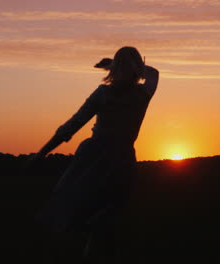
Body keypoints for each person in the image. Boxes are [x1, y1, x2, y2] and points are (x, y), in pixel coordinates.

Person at [33, 46, 159, 261]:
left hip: (96, 158)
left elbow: (72, 126)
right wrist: (122, 65)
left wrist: (41, 154)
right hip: (117, 159)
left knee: (88, 214)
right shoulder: (143, 93)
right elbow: (153, 73)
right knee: (105, 218)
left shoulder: (104, 93)